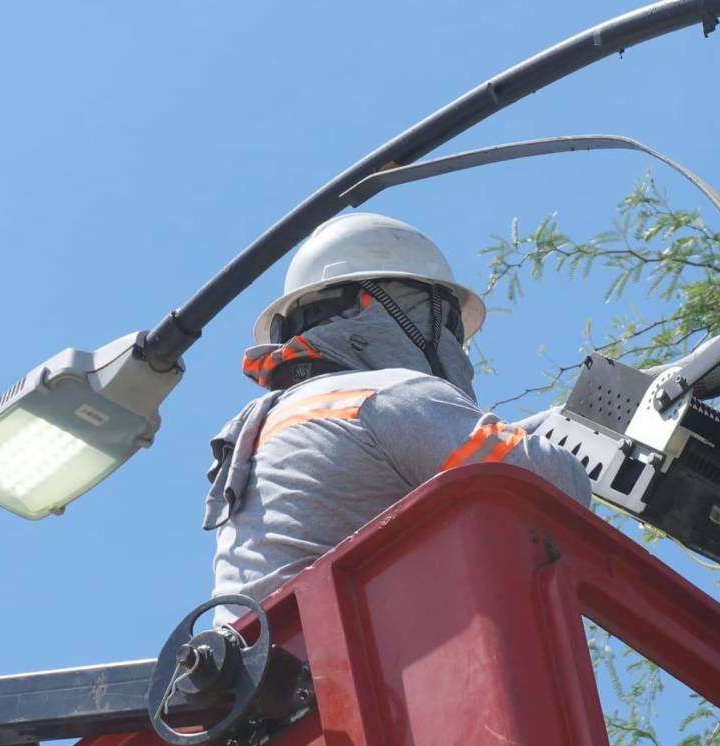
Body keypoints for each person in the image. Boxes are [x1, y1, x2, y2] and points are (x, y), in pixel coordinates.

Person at [204, 212, 593, 625]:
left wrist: (551, 424)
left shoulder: (276, 422)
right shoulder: (388, 393)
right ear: (383, 310)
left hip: (280, 668)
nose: (453, 345)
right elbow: (552, 483)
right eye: (449, 324)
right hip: (349, 666)